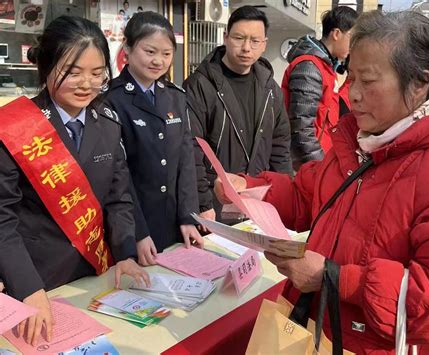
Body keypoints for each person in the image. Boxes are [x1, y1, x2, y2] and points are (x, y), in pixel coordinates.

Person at [215, 11, 429, 353]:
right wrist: (251, 187)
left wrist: (335, 278)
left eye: (368, 81)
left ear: (420, 83)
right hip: (313, 329)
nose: (352, 94)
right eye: (349, 78)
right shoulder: (359, 141)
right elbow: (308, 195)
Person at [0, 16, 149, 346]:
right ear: (47, 67)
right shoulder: (15, 128)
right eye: (73, 72)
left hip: (93, 276)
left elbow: (118, 197)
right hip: (33, 283)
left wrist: (125, 251)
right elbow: (2, 220)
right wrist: (27, 287)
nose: (86, 84)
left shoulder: (108, 125)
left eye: (97, 74)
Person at [106, 12, 203, 266]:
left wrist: (189, 216)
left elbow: (185, 159)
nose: (158, 61)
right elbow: (118, 175)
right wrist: (136, 233)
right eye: (150, 51)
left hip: (173, 223)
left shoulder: (175, 97)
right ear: (127, 47)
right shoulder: (111, 100)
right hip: (133, 228)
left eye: (167, 53)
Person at [183, 5, 292, 224]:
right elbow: (191, 149)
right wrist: (203, 202)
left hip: (258, 204)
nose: (246, 48)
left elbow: (280, 148)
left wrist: (285, 197)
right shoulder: (200, 85)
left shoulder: (270, 89)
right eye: (239, 38)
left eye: (254, 41)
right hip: (216, 206)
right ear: (225, 37)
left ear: (264, 45)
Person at [281, 6, 358, 171]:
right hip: (307, 167)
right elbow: (301, 128)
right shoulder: (310, 67)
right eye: (352, 37)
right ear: (336, 34)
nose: (353, 45)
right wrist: (322, 168)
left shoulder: (327, 68)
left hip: (318, 161)